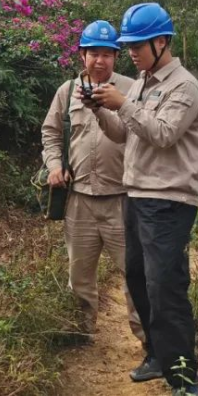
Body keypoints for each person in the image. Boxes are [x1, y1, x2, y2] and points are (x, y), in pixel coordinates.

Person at [86, 3, 198, 396]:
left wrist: (122, 103)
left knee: (165, 286)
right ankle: (157, 354)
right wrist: (102, 111)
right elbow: (125, 134)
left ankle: (183, 375)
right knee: (138, 278)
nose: (132, 52)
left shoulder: (183, 87)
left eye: (138, 44)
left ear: (161, 42)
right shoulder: (142, 82)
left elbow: (162, 134)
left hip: (169, 201)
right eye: (130, 45)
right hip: (137, 194)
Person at [40, 20, 144, 345]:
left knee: (137, 275)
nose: (100, 61)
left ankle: (149, 342)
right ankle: (81, 332)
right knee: (79, 276)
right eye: (94, 54)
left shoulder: (132, 89)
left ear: (116, 58)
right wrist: (55, 165)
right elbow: (51, 133)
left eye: (107, 54)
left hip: (122, 201)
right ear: (82, 56)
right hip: (79, 202)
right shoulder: (67, 92)